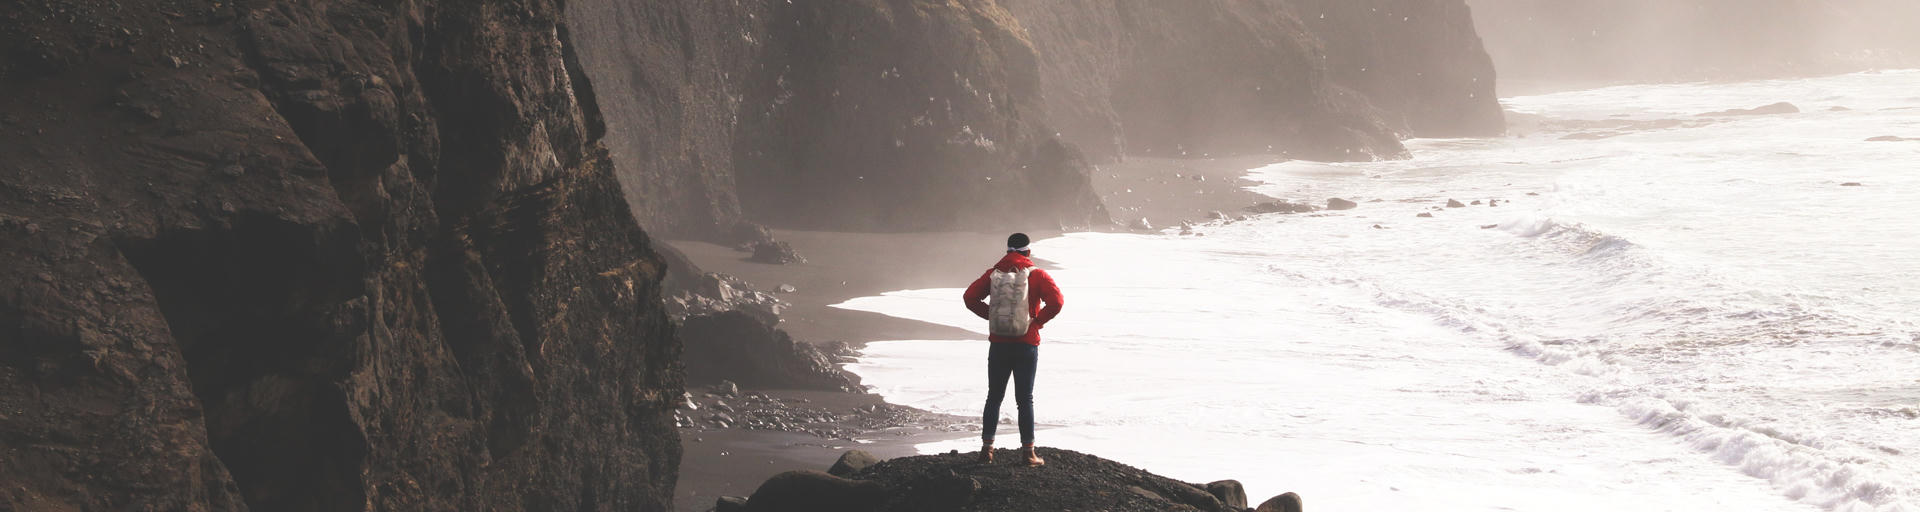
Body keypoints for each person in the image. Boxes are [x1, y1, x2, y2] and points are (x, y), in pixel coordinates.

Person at [962, 232, 1063, 466]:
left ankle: (986, 451)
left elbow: (969, 297)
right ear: (1028, 252)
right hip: (1026, 343)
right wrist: (1037, 322)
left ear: (1007, 250)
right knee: (1024, 399)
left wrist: (992, 317)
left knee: (994, 397)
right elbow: (1057, 302)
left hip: (999, 343)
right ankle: (1028, 454)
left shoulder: (993, 274)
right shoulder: (1037, 275)